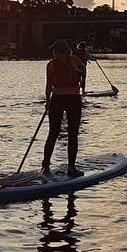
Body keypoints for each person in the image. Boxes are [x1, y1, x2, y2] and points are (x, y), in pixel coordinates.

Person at [43, 39, 85, 177]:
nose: (52, 52)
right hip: (73, 99)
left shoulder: (51, 65)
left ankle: (45, 165)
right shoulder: (76, 61)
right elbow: (83, 72)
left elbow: (49, 85)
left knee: (53, 133)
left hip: (57, 99)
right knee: (73, 134)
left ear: (58, 51)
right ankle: (71, 167)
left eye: (54, 50)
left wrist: (47, 101)